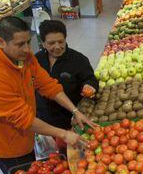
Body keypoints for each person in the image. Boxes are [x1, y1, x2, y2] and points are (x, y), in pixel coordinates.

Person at [0, 17, 94, 174]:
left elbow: (48, 85)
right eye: (20, 44)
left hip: (26, 134)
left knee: (34, 171)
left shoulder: (23, 57)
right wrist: (63, 134)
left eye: (28, 42)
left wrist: (75, 110)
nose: (27, 49)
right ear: (0, 42)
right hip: (7, 143)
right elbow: (24, 119)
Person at [35, 20, 98, 151]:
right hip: (44, 119)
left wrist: (89, 86)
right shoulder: (36, 60)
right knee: (50, 154)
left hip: (68, 120)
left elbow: (90, 79)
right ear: (43, 43)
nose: (57, 46)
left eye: (61, 41)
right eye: (51, 43)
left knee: (69, 154)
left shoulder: (78, 60)